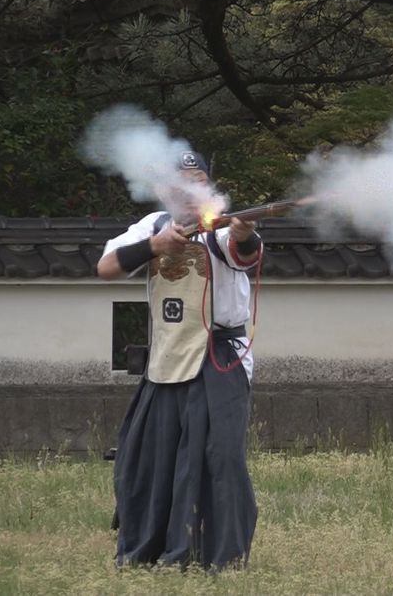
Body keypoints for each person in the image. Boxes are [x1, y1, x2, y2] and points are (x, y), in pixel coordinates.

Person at [97, 150, 262, 570]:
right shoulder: (150, 226)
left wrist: (244, 233)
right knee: (150, 456)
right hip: (167, 355)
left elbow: (243, 252)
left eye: (200, 179)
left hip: (219, 356)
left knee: (219, 456)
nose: (193, 188)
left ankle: (222, 555)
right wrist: (155, 246)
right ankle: (150, 550)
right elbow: (106, 267)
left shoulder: (222, 228)